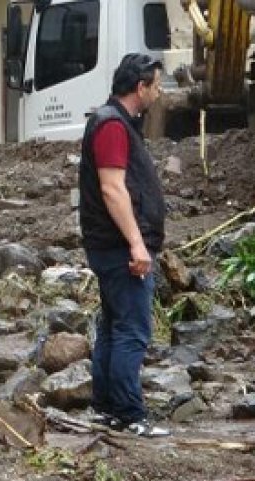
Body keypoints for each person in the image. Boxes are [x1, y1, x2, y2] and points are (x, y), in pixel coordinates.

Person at [77, 53, 170, 438]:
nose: (159, 93)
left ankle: (106, 408)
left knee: (114, 327)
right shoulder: (113, 126)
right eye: (156, 86)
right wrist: (137, 244)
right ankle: (131, 414)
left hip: (110, 245)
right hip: (119, 247)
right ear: (140, 87)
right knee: (132, 330)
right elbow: (113, 189)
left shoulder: (114, 122)